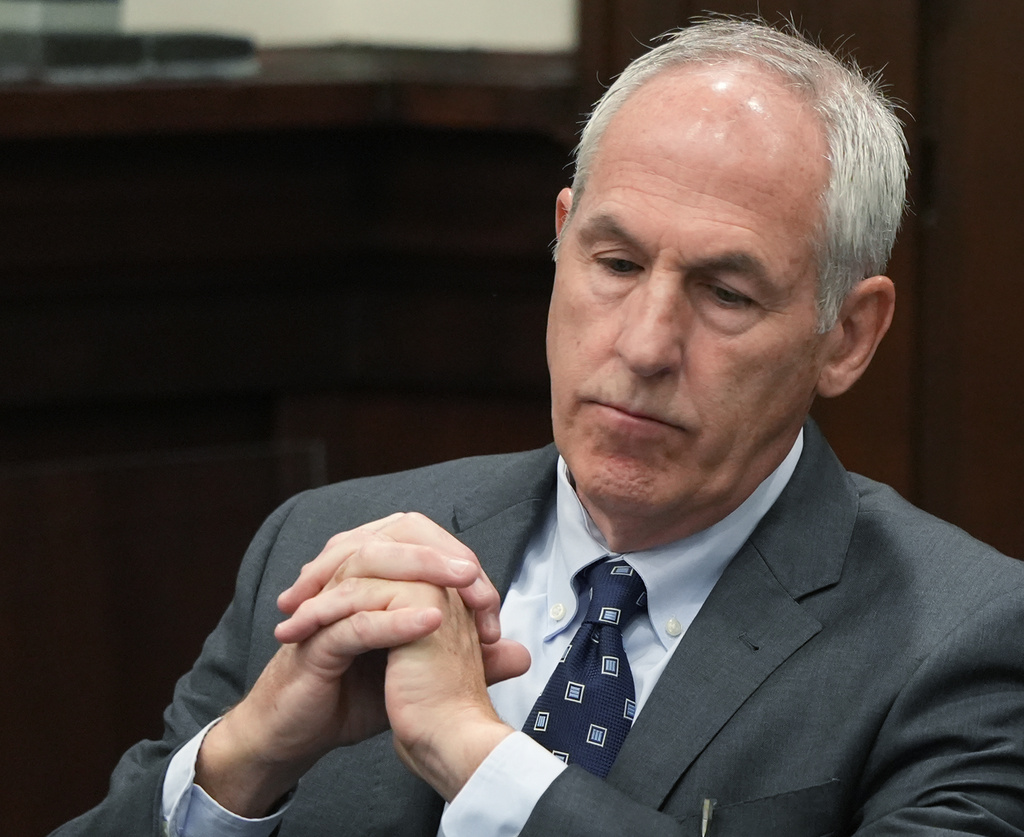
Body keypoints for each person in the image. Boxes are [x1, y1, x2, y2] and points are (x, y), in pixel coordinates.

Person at [54, 17, 1024, 837]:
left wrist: (479, 760)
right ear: (560, 238)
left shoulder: (962, 640)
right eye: (613, 263)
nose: (644, 344)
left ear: (845, 337)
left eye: (724, 293)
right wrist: (248, 755)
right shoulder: (322, 544)